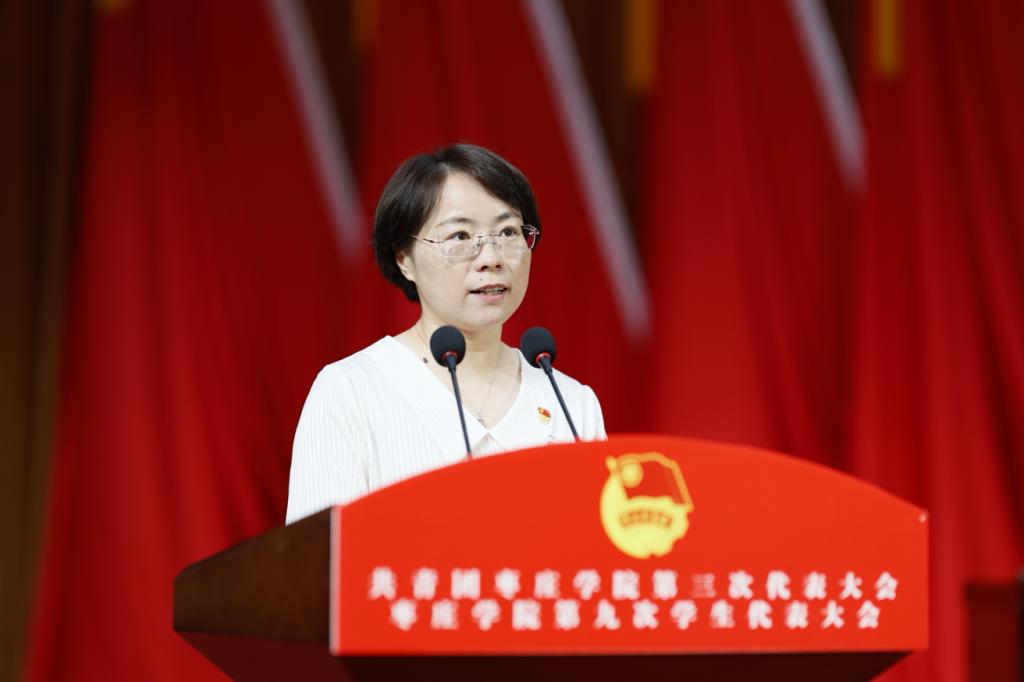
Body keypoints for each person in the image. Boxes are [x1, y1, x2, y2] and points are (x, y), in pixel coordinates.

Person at [285, 144, 606, 523]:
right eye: (460, 236)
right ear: (404, 259)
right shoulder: (351, 392)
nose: (491, 258)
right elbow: (316, 555)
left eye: (507, 231)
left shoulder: (570, 404)